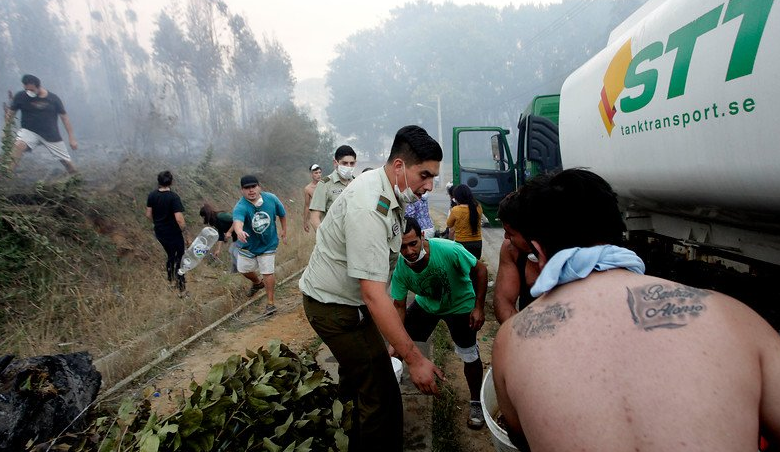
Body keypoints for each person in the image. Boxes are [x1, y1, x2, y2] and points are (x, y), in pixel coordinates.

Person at [491, 169, 780, 451]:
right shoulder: (734, 318)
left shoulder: (512, 341)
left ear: (539, 251)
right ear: (619, 232)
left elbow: (518, 435)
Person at [299, 125, 444, 451]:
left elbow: (383, 270)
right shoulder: (369, 205)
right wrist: (414, 358)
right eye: (424, 175)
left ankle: (348, 436)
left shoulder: (391, 194)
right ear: (398, 166)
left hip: (348, 302)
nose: (429, 186)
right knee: (381, 394)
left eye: (433, 177)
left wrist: (395, 337)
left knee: (359, 381)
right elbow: (373, 293)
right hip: (334, 307)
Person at [390, 217, 488, 430]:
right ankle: (389, 401)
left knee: (469, 353)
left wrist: (478, 307)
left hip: (460, 305)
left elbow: (480, 270)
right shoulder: (401, 268)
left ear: (422, 237)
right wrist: (396, 341)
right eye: (402, 246)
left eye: (413, 243)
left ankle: (476, 402)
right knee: (397, 348)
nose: (408, 252)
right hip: (426, 305)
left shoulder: (449, 249)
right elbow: (398, 305)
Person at [232, 175, 287, 315]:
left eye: (253, 187)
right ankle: (257, 283)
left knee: (267, 271)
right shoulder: (241, 206)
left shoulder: (271, 199)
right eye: (247, 188)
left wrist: (284, 230)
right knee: (243, 269)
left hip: (268, 243)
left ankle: (270, 303)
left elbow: (282, 214)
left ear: (259, 187)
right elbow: (238, 222)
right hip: (249, 244)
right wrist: (239, 232)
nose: (251, 190)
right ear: (242, 190)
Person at [4, 74, 78, 175]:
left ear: (38, 86)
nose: (29, 92)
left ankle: (76, 179)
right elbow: (11, 114)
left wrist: (71, 138)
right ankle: (5, 175)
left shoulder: (53, 99)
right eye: (27, 89)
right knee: (18, 146)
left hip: (51, 134)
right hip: (29, 131)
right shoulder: (21, 96)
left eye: (31, 90)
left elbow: (64, 118)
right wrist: (6, 130)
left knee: (68, 163)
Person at [492, 190, 540, 324]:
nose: (506, 237)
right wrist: (524, 334)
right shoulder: (511, 249)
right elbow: (504, 300)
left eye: (510, 232)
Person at [145, 170, 188, 295]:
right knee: (179, 258)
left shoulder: (152, 195)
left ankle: (171, 282)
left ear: (158, 182)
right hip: (173, 232)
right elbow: (179, 219)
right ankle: (181, 289)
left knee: (170, 256)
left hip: (160, 232)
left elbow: (148, 214)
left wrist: (158, 222)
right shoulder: (173, 197)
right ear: (171, 182)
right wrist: (184, 231)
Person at [309, 145, 357, 231]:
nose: (349, 167)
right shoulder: (325, 184)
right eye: (345, 163)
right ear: (336, 163)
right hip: (333, 239)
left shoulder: (357, 183)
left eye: (352, 163)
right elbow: (314, 218)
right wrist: (324, 238)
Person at [199, 203, 245, 273]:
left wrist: (229, 232)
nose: (203, 218)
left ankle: (242, 270)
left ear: (207, 214)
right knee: (232, 251)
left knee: (234, 251)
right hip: (236, 236)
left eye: (204, 216)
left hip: (242, 232)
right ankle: (235, 271)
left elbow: (236, 221)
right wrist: (218, 250)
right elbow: (220, 236)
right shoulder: (215, 222)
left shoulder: (221, 216)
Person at [446, 184, 483, 259]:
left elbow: (449, 225)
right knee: (474, 266)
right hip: (477, 243)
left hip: (461, 244)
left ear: (457, 197)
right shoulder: (478, 207)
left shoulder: (456, 210)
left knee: (462, 268)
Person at [303, 164, 323, 233]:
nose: (318, 175)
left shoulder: (326, 185)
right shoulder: (308, 189)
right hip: (316, 216)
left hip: (327, 214)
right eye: (316, 173)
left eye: (320, 172)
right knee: (320, 236)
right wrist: (305, 222)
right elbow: (307, 206)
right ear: (311, 174)